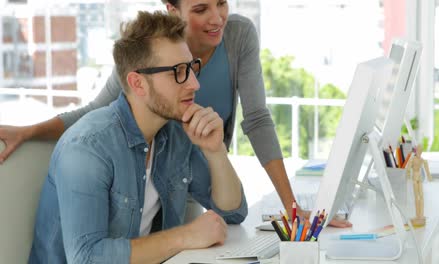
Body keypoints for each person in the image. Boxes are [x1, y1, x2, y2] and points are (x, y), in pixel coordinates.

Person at [0, 0, 350, 226]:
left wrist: (291, 207)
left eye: (222, 3)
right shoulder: (148, 54)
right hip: (151, 169)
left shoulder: (239, 35)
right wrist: (28, 131)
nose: (217, 19)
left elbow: (256, 119)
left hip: (197, 168)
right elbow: (98, 109)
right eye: (200, 9)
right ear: (173, 9)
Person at [28, 11, 247, 264]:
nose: (195, 83)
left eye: (191, 68)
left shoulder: (176, 132)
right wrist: (184, 236)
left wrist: (215, 150)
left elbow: (233, 213)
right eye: (178, 71)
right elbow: (87, 258)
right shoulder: (88, 146)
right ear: (138, 84)